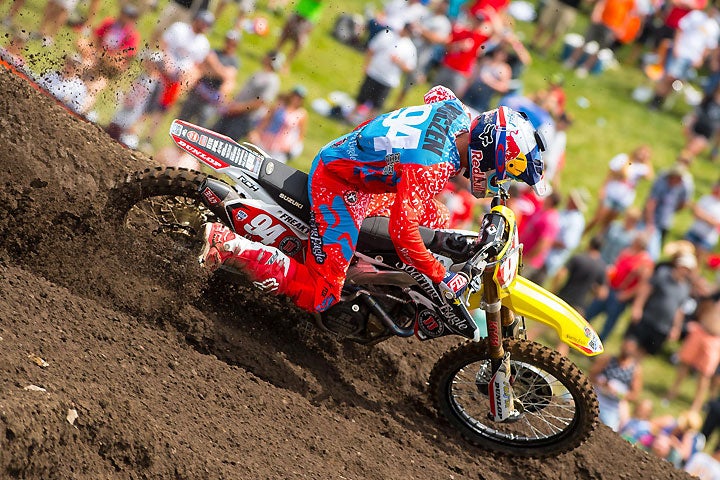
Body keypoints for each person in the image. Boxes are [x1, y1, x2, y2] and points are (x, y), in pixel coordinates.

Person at [198, 87, 548, 314]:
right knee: (322, 295)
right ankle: (228, 245)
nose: (502, 179)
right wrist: (441, 277)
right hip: (341, 184)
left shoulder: (456, 111)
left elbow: (436, 93)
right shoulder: (431, 166)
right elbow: (404, 235)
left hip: (370, 168)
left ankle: (373, 286)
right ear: (487, 154)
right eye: (505, 170)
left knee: (438, 216)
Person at [585, 233, 654, 342]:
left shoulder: (645, 261)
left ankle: (597, 345)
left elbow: (642, 285)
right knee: (590, 312)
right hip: (610, 287)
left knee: (608, 324)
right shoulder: (627, 252)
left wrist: (626, 295)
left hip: (620, 294)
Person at [648, 5, 719, 111]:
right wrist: (676, 46)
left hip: (693, 57)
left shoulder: (714, 27)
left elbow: (709, 46)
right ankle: (655, 100)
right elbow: (680, 28)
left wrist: (701, 59)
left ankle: (661, 100)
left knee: (677, 81)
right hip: (682, 50)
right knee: (669, 76)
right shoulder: (696, 16)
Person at [626, 252, 697, 356]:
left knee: (644, 352)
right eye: (684, 268)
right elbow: (646, 290)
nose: (685, 272)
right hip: (647, 318)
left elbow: (680, 309)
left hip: (662, 327)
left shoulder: (685, 288)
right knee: (629, 345)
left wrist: (676, 328)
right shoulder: (663, 274)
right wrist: (638, 307)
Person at [76, 3, 141, 111]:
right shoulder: (110, 23)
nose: (124, 17)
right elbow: (95, 38)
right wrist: (93, 51)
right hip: (98, 55)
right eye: (123, 13)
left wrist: (102, 56)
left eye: (128, 16)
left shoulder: (132, 36)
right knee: (81, 42)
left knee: (95, 86)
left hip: (109, 65)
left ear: (132, 20)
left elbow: (122, 55)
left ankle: (81, 108)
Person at [665, 288, 720, 412]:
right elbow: (704, 302)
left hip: (715, 339)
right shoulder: (717, 294)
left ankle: (696, 405)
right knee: (684, 363)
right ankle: (672, 393)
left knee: (705, 374)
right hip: (701, 331)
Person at [349, 23, 417, 122]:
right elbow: (371, 49)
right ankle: (350, 118)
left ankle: (366, 126)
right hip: (373, 73)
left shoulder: (410, 47)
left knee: (376, 106)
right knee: (361, 99)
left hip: (388, 80)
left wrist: (398, 62)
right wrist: (366, 65)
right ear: (404, 28)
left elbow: (410, 67)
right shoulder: (387, 35)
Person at [212, 50, 284, 141]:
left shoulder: (272, 80)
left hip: (244, 118)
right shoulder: (259, 73)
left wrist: (237, 108)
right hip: (234, 112)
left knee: (225, 143)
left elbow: (261, 102)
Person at [584, 145, 654, 237]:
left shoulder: (642, 167)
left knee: (608, 224)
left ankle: (596, 241)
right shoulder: (625, 159)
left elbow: (649, 176)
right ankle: (583, 234)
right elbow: (621, 173)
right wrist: (603, 188)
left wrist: (647, 161)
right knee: (598, 217)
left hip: (623, 199)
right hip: (611, 193)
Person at [177, 29, 241, 127]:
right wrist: (220, 72)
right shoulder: (215, 51)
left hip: (211, 100)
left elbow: (228, 76)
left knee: (201, 127)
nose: (229, 44)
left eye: (232, 43)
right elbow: (202, 68)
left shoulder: (234, 61)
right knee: (182, 121)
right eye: (228, 41)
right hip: (198, 91)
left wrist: (213, 64)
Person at [590, 337, 644, 431]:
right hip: (597, 395)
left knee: (612, 429)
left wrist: (619, 393)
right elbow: (591, 375)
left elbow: (635, 395)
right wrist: (602, 383)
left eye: (630, 347)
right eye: (626, 346)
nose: (627, 349)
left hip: (613, 405)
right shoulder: (607, 359)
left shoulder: (635, 369)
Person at [248, 85, 309, 163]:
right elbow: (266, 121)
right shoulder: (279, 106)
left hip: (281, 148)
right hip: (265, 140)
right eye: (295, 95)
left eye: (299, 97)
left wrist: (292, 146)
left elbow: (301, 134)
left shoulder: (302, 114)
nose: (296, 99)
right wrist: (256, 132)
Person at [552, 235, 607, 316]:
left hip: (563, 298)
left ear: (589, 244)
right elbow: (602, 294)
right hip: (579, 306)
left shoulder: (578, 258)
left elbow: (560, 274)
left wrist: (554, 290)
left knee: (541, 326)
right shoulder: (602, 267)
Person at [643, 163, 693, 246]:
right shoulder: (661, 183)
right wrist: (649, 222)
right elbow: (651, 203)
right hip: (650, 219)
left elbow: (684, 203)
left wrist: (672, 210)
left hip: (665, 221)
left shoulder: (683, 186)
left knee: (658, 244)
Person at [684, 181, 720, 265]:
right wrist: (709, 219)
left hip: (706, 239)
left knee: (697, 262)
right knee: (684, 256)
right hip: (694, 232)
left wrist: (703, 216)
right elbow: (695, 213)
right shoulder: (706, 198)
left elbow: (716, 223)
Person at [681, 85, 720, 162]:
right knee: (689, 149)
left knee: (691, 150)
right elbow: (696, 113)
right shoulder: (709, 99)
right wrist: (688, 124)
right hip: (696, 127)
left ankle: (683, 163)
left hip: (707, 133)